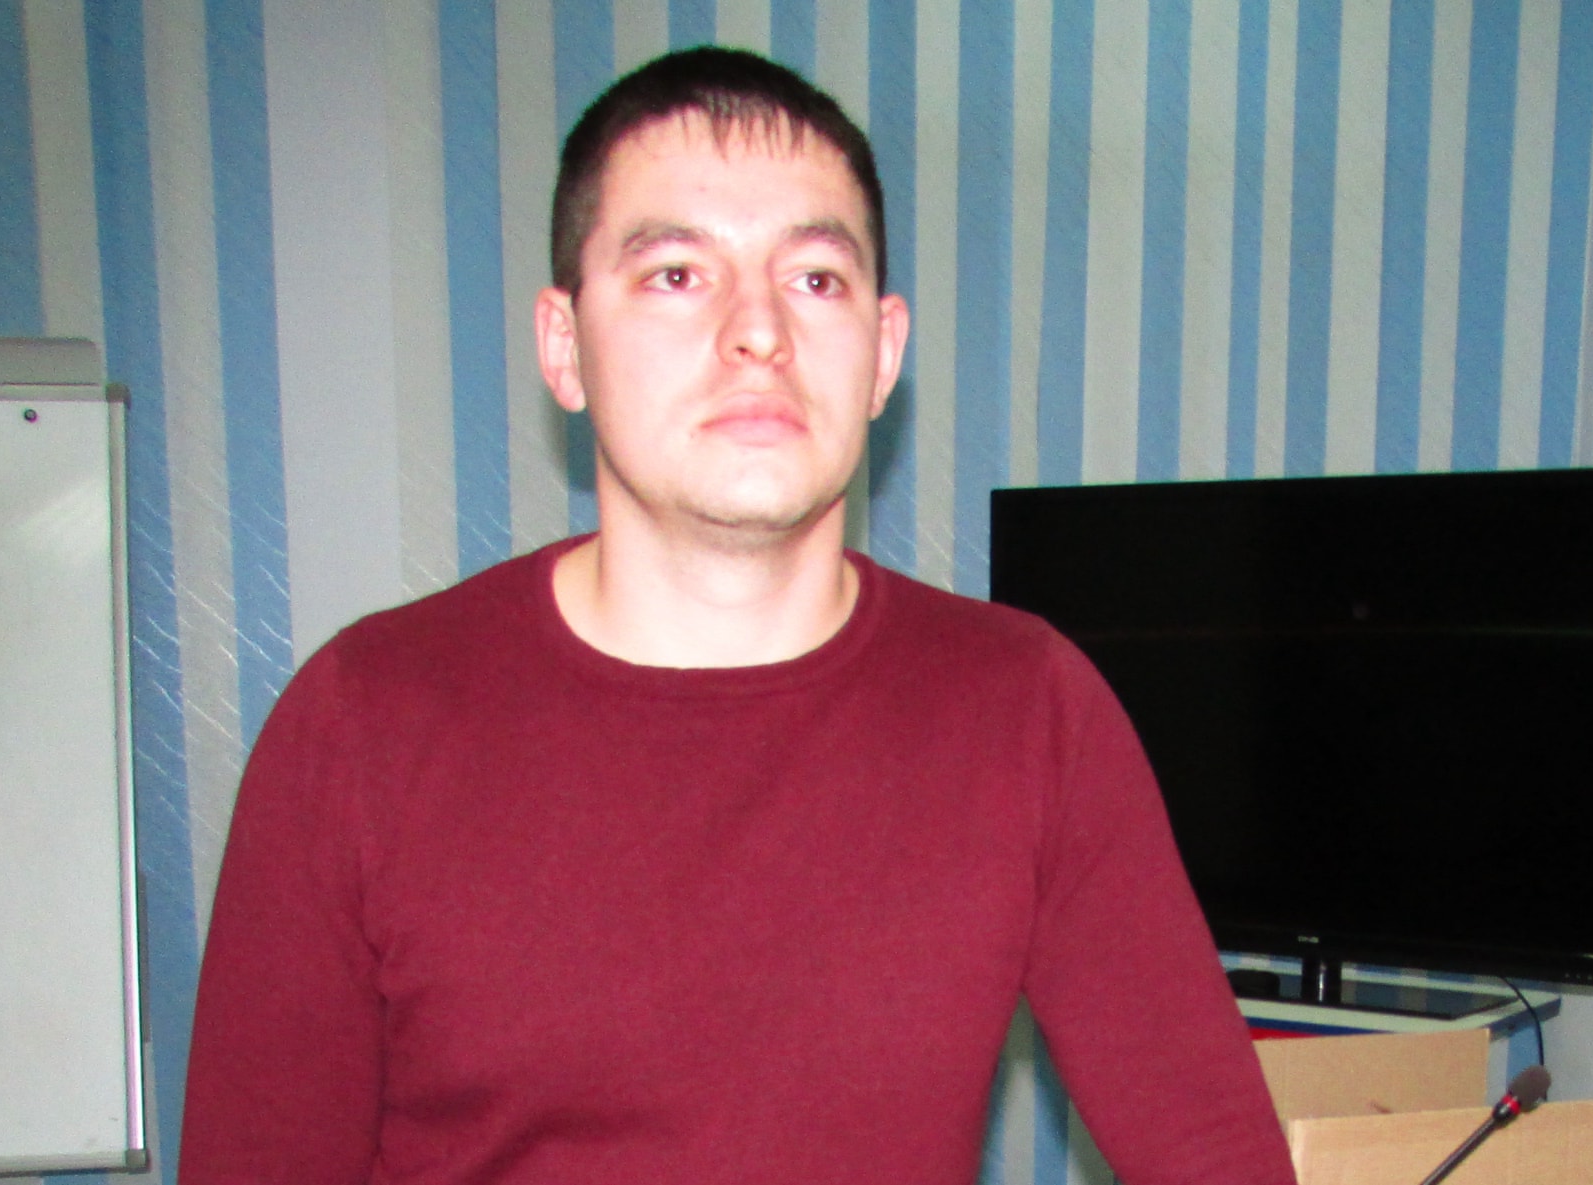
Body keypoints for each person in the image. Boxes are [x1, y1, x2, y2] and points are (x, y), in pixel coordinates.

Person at [180, 47, 1295, 1185]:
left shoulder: (1029, 710)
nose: (757, 331)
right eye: (676, 274)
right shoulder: (364, 722)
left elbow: (1217, 1157)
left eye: (815, 279)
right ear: (565, 346)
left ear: (883, 354)